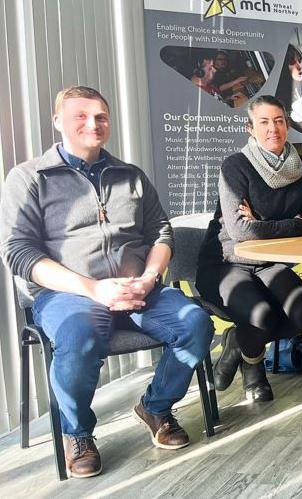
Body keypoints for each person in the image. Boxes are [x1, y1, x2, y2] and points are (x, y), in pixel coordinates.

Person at [0, 86, 213, 478]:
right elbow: (19, 252)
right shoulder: (29, 178)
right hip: (69, 294)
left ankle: (156, 407)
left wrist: (149, 278)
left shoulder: (129, 176)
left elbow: (161, 233)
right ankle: (77, 433)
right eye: (81, 115)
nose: (93, 124)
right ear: (57, 121)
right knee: (82, 333)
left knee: (196, 323)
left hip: (138, 289)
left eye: (100, 116)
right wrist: (92, 289)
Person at [196, 95, 302, 403]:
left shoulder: (301, 167)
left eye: (278, 121)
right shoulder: (236, 166)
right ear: (250, 128)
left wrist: (262, 222)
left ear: (287, 126)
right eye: (263, 122)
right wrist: (288, 223)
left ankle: (238, 342)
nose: (272, 129)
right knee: (260, 315)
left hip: (269, 262)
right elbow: (240, 231)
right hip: (225, 262)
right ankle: (255, 368)